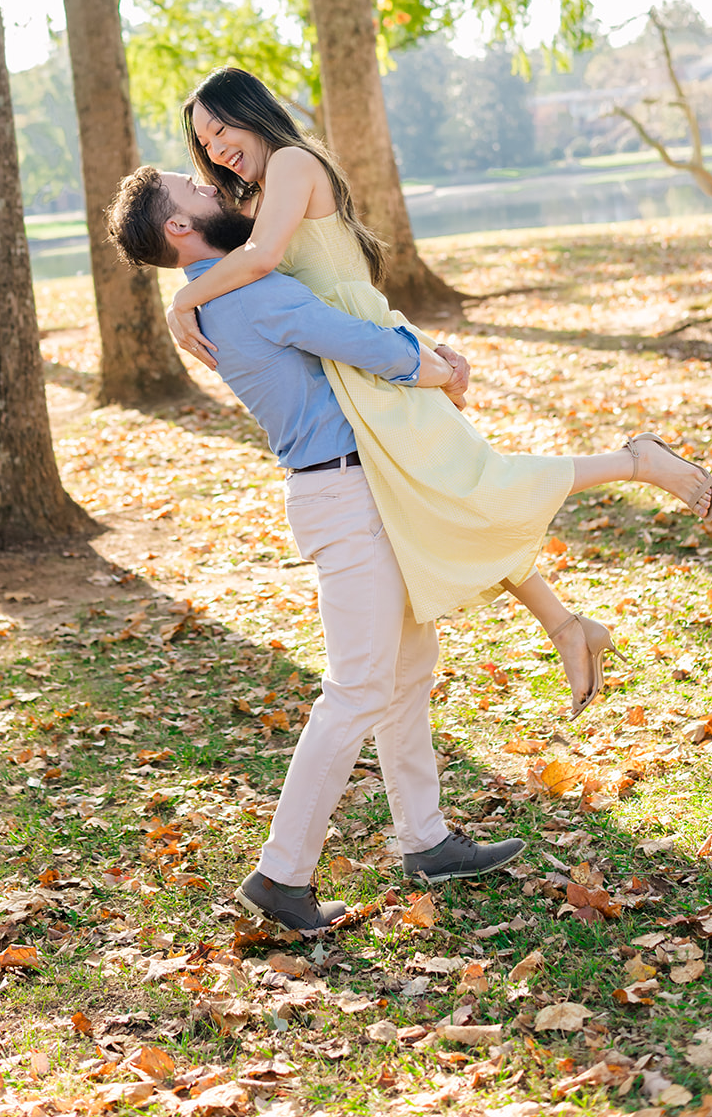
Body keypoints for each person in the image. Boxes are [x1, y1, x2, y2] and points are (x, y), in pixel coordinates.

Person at [165, 67, 712, 720]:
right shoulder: (258, 191)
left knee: (470, 486)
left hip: (371, 358)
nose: (216, 147)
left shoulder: (289, 162)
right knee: (439, 503)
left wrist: (183, 300)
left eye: (221, 127)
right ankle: (565, 624)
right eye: (204, 143)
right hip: (356, 363)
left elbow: (263, 264)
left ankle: (637, 462)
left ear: (250, 112)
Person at [108, 166, 527, 932]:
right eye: (193, 190)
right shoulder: (246, 291)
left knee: (406, 670)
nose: (214, 188)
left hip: (353, 488)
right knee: (358, 689)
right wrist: (437, 369)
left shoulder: (217, 292)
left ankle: (425, 838)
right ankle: (280, 875)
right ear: (178, 228)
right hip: (343, 497)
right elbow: (359, 341)